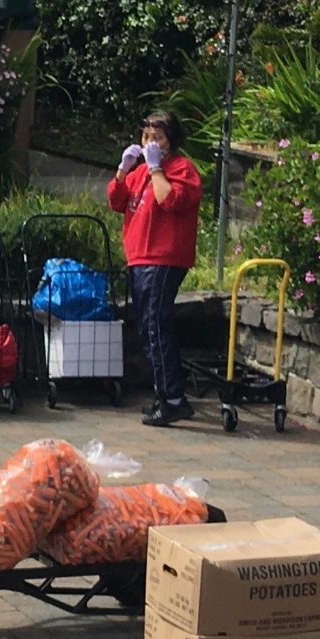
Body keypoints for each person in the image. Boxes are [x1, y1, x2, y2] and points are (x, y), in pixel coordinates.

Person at [106, 110, 203, 428]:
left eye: (157, 138)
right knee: (148, 327)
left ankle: (173, 399)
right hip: (140, 257)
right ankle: (165, 394)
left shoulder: (181, 169)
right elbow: (117, 201)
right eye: (146, 137)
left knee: (156, 326)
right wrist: (123, 171)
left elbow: (168, 200)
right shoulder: (140, 172)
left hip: (163, 257)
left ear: (170, 141)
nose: (150, 143)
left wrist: (156, 167)